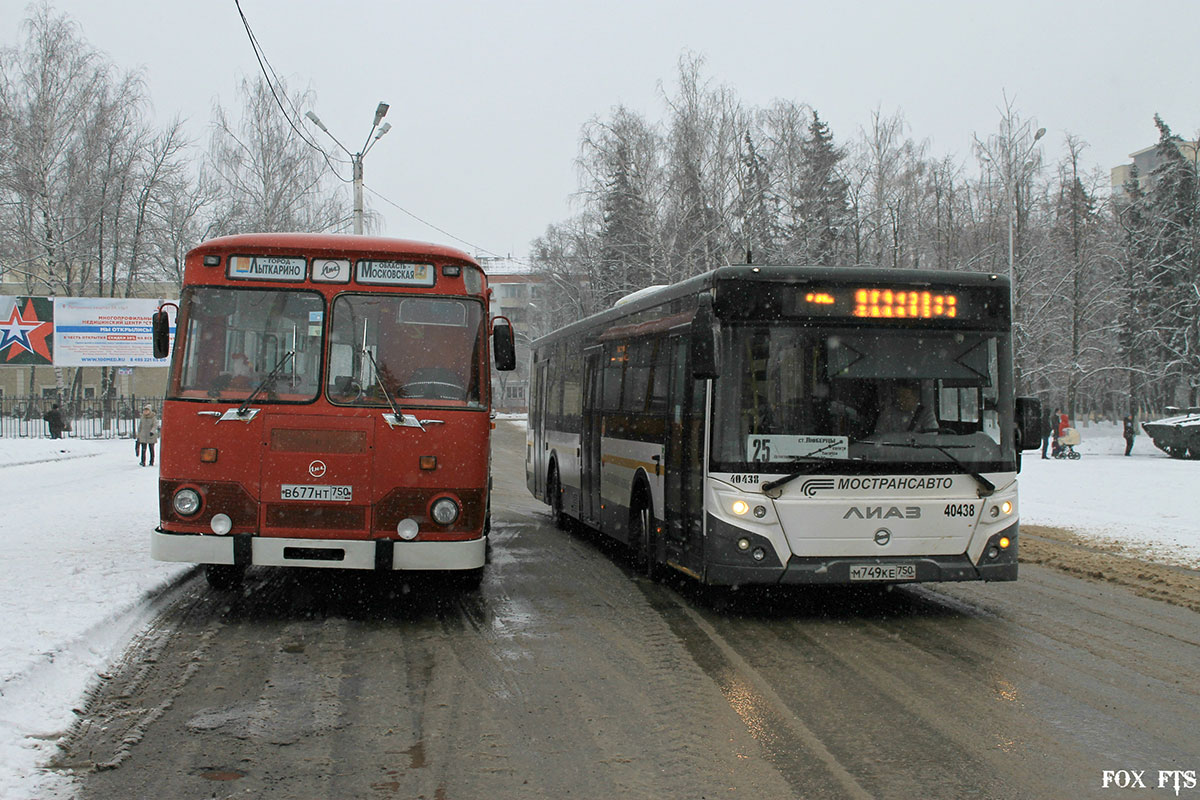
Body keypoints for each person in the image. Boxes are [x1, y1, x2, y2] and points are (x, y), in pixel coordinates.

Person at [873, 380, 938, 433]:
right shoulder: (887, 414)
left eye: (905, 397)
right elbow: (879, 436)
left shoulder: (926, 413)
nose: (901, 400)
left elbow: (931, 436)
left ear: (915, 398)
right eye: (899, 397)